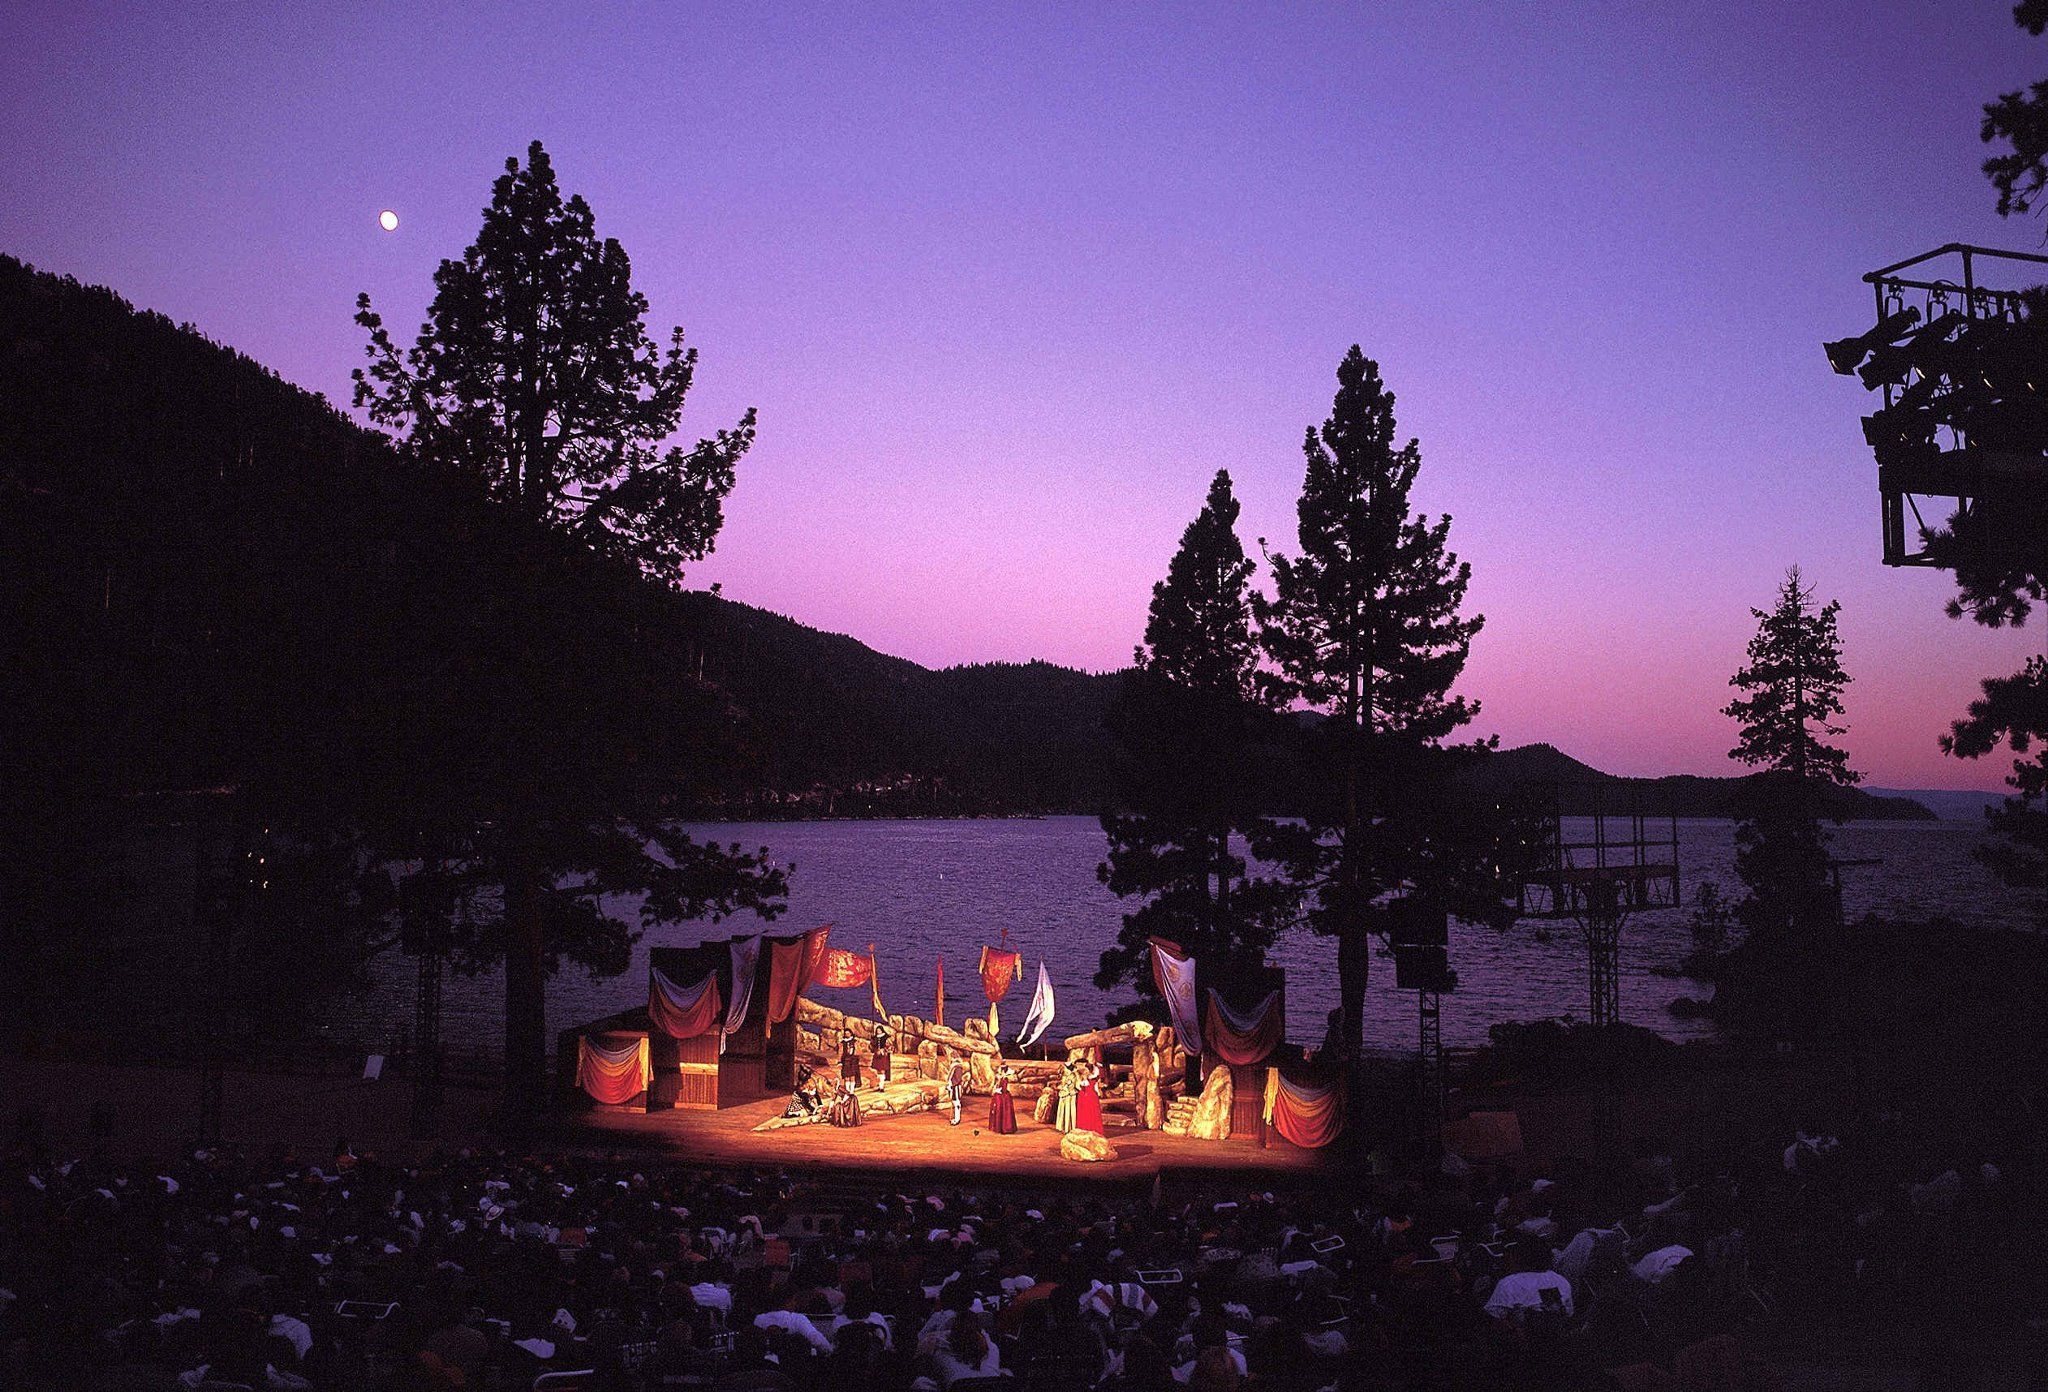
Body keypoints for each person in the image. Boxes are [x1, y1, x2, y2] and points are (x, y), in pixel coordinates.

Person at [1074, 1058, 1104, 1135]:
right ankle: (1084, 1129)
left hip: (1090, 1097)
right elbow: (1079, 1086)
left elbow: (1084, 1085)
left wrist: (1082, 1077)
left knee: (1091, 1112)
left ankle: (1092, 1129)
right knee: (1083, 1113)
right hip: (1083, 1097)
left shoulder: (1092, 1078)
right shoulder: (1083, 1077)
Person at [989, 1063, 1018, 1135]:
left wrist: (998, 1090)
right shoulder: (999, 1076)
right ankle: (999, 1127)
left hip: (1004, 1096)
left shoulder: (1007, 1076)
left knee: (1003, 1109)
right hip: (999, 1095)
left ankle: (1004, 1127)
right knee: (998, 1109)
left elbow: (1005, 1088)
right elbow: (996, 1085)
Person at [1054, 1059, 1080, 1133]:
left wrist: (1065, 1088)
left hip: (1070, 1095)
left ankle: (1069, 1128)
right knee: (1063, 1111)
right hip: (1064, 1095)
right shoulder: (1065, 1076)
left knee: (1069, 1111)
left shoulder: (1073, 1075)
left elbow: (1074, 1086)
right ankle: (1064, 1127)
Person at [945, 1050, 968, 1126]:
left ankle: (957, 1119)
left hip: (956, 1087)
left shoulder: (958, 1067)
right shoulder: (954, 1066)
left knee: (956, 1103)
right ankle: (955, 1118)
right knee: (954, 1102)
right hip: (953, 1086)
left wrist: (951, 1084)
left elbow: (957, 1079)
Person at [873, 1023, 893, 1090]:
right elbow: (872, 1046)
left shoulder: (886, 1037)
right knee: (878, 1070)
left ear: (882, 1030)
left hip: (883, 1055)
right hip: (876, 1055)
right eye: (877, 1030)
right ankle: (879, 1085)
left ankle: (882, 1086)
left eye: (879, 1030)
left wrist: (884, 1050)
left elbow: (890, 1046)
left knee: (882, 1070)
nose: (878, 1031)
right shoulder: (875, 1037)